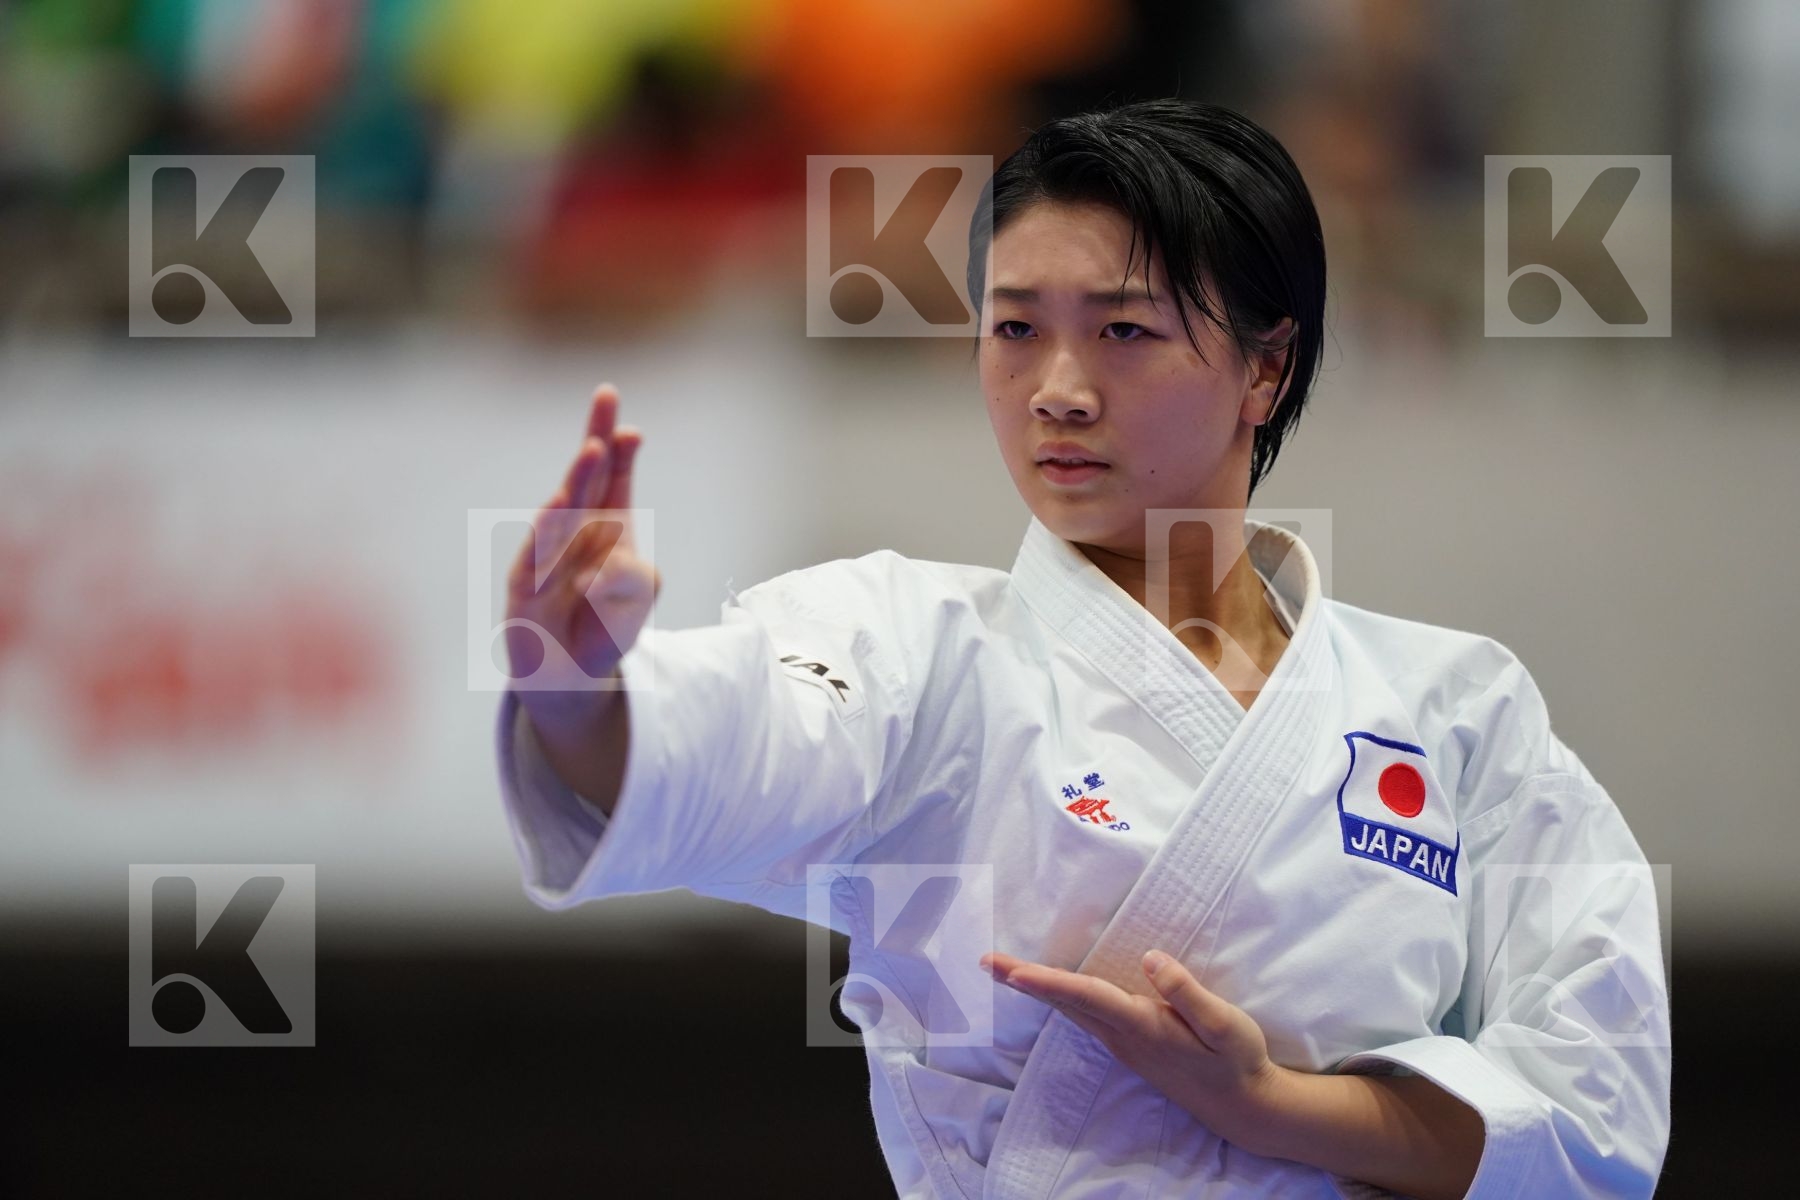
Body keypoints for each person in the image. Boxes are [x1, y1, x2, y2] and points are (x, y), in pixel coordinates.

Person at [492, 99, 1671, 1199]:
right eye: (1015, 327)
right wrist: (574, 685)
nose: (1057, 389)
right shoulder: (920, 650)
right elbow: (723, 749)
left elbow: (1593, 1116)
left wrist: (1276, 1108)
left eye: (1122, 330)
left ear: (1266, 364)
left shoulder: (1459, 713)